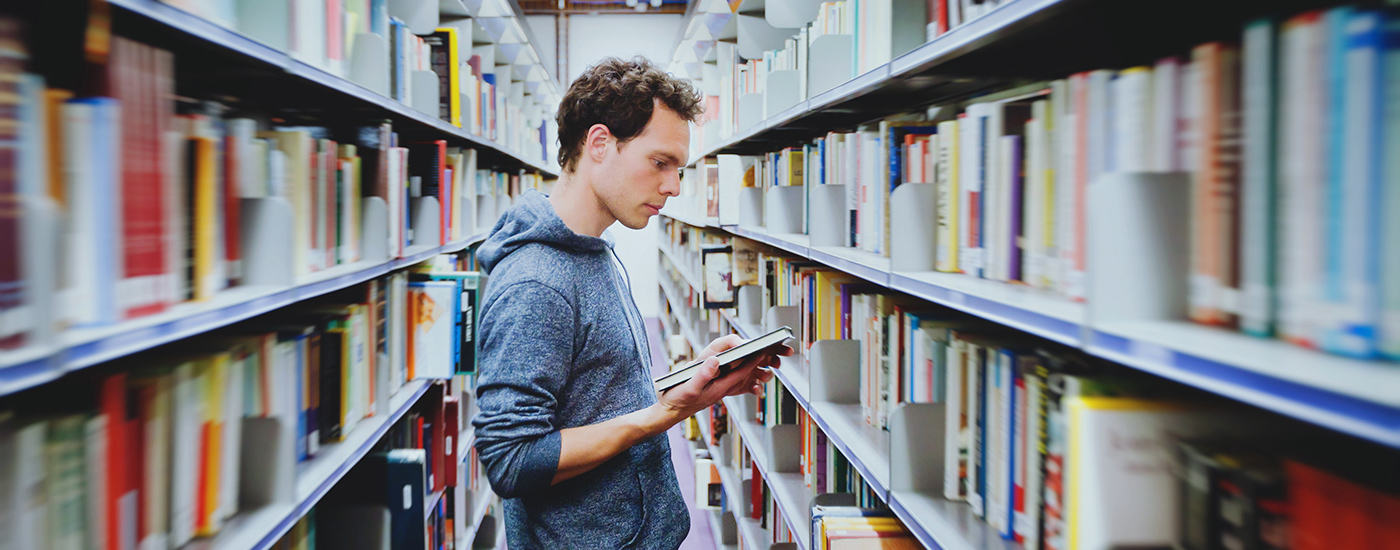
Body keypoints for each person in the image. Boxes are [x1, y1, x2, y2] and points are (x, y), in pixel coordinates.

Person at [471, 56, 791, 549]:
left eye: (679, 169)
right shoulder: (535, 284)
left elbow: (593, 396)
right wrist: (666, 413)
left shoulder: (593, 251)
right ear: (600, 144)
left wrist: (696, 380)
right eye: (660, 163)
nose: (674, 186)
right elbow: (512, 460)